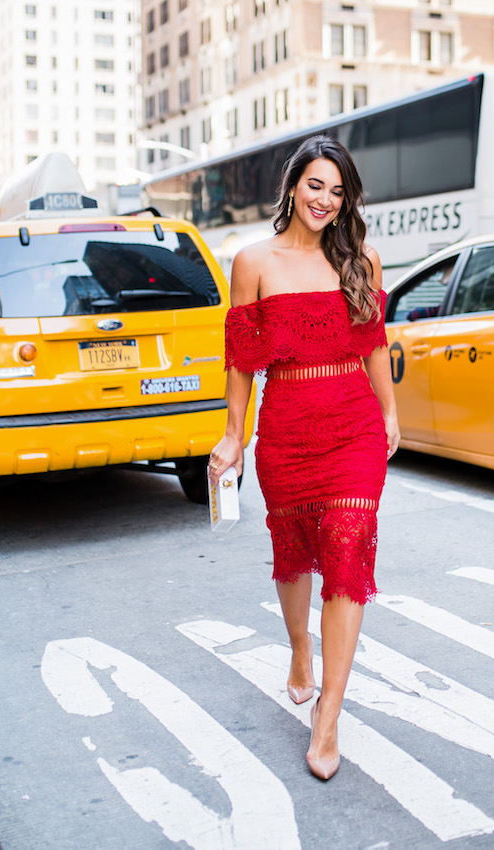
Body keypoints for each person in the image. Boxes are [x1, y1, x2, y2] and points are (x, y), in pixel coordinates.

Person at [208, 134, 400, 781]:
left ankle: (329, 715)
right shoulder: (253, 261)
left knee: (346, 550)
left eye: (338, 191)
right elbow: (241, 359)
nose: (325, 200)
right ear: (293, 186)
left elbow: (375, 343)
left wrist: (390, 414)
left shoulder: (361, 260)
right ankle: (298, 651)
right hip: (287, 426)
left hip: (354, 425)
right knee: (295, 553)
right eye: (316, 185)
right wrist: (234, 435)